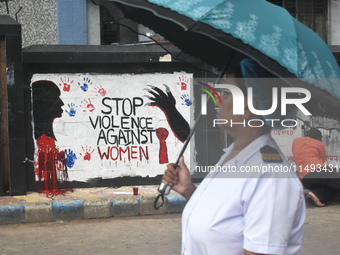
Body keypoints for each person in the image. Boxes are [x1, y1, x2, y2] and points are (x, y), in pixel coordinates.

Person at [162, 58, 305, 255]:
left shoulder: (270, 176)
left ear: (247, 109)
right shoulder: (233, 154)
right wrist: (189, 191)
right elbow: (227, 220)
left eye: (227, 94)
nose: (218, 101)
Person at [292, 128, 340, 207]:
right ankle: (318, 194)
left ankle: (317, 195)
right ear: (318, 138)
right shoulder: (319, 144)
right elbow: (322, 159)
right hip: (318, 172)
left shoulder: (296, 141)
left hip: (305, 179)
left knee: (334, 187)